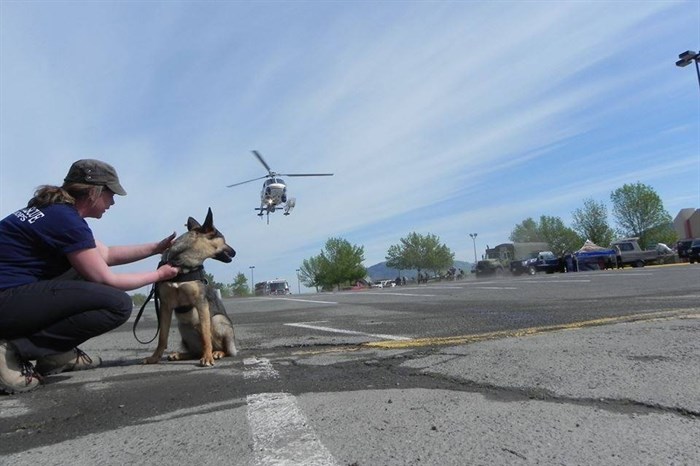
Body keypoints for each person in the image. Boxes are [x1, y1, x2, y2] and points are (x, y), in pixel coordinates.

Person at [0, 159, 180, 394]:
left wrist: (157, 247)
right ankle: (11, 352)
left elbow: (104, 254)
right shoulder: (66, 220)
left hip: (10, 297)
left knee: (82, 270)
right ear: (94, 192)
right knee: (117, 304)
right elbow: (107, 280)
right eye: (111, 194)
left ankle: (56, 354)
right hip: (6, 300)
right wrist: (159, 274)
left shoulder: (54, 212)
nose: (113, 202)